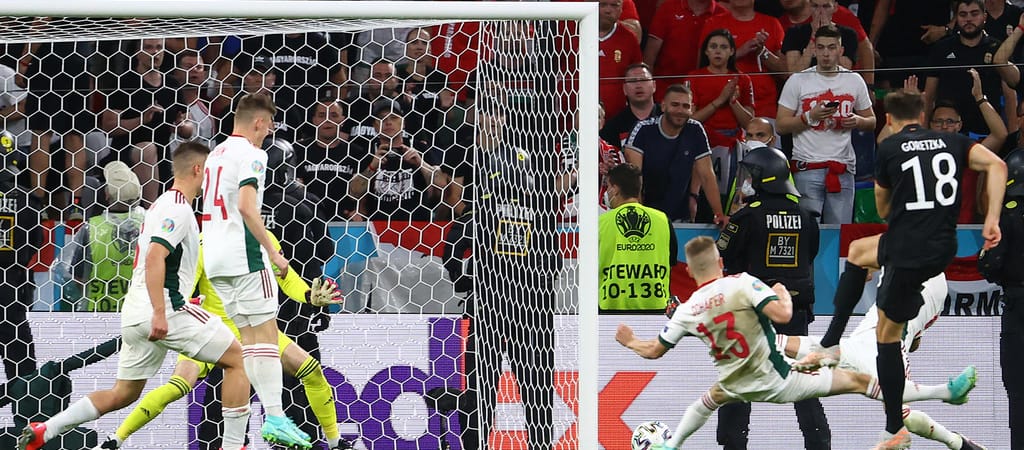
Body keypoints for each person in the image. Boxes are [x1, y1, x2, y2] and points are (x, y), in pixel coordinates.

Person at [615, 236, 979, 450]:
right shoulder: (742, 282)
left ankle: (672, 444)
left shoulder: (689, 308)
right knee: (860, 382)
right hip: (779, 379)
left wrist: (630, 341)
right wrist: (778, 293)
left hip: (736, 384)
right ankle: (944, 393)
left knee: (707, 400)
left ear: (690, 271)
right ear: (720, 262)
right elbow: (781, 314)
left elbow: (654, 351)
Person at [16, 143, 263, 450]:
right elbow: (156, 255)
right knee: (241, 359)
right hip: (163, 311)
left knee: (123, 393)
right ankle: (234, 445)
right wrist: (161, 310)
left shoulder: (160, 205)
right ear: (198, 170)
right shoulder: (177, 208)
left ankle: (46, 429)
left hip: (137, 313)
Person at [800, 90, 1006, 449]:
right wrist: (991, 219)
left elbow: (882, 210)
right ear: (922, 115)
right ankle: (831, 345)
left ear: (890, 120)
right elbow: (997, 166)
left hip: (908, 250)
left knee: (887, 337)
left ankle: (893, 428)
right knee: (860, 252)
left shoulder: (890, 148)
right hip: (943, 247)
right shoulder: (953, 142)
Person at [93, 230, 348, 450]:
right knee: (178, 386)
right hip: (211, 330)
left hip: (255, 329)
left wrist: (309, 295)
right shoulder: (203, 243)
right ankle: (115, 439)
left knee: (312, 371)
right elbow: (185, 287)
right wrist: (185, 304)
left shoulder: (263, 238)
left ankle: (335, 442)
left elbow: (287, 278)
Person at [200, 93, 312, 447]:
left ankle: (236, 440)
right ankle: (276, 417)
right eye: (269, 126)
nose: (268, 133)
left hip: (215, 258)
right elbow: (247, 207)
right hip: (244, 256)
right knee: (265, 337)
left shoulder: (215, 154)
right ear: (259, 122)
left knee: (248, 342)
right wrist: (273, 253)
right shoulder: (253, 154)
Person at [778, 270, 987, 450]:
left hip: (871, 347)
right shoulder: (937, 290)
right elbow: (915, 342)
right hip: (874, 349)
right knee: (901, 415)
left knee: (786, 344)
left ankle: (953, 425)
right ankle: (957, 439)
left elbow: (866, 270)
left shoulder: (900, 254)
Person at [713, 146, 829, 449]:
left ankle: (733, 444)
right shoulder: (806, 216)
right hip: (796, 311)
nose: (747, 181)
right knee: (804, 385)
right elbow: (810, 255)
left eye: (751, 175)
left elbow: (724, 255)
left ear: (764, 178)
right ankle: (819, 444)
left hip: (753, 312)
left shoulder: (746, 217)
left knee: (740, 379)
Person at [776, 25, 875, 224]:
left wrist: (857, 121)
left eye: (831, 47)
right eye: (821, 48)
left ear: (841, 50)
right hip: (807, 168)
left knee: (838, 233)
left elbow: (871, 121)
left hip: (842, 169)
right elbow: (780, 125)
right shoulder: (798, 80)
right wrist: (809, 117)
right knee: (808, 233)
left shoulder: (854, 80)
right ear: (814, 50)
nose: (826, 53)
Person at [622, 84, 727, 225]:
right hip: (648, 216)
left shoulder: (695, 130)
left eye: (685, 106)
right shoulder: (643, 129)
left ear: (692, 109)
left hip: (681, 217)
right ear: (663, 106)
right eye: (675, 105)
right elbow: (634, 181)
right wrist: (641, 219)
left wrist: (718, 214)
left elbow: (707, 175)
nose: (680, 111)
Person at [99, 38, 185, 205]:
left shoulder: (172, 84)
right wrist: (141, 120)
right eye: (149, 47)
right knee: (147, 149)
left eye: (159, 47)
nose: (155, 52)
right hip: (127, 154)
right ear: (137, 53)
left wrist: (181, 126)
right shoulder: (124, 82)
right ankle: (150, 211)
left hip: (163, 156)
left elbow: (187, 127)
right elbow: (108, 126)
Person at [52, 161, 145, 312]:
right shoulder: (150, 223)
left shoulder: (92, 228)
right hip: (140, 312)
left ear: (106, 194)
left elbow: (76, 278)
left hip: (98, 312)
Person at [978, 148, 1024, 449]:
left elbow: (990, 266)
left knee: (1018, 395)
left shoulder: (1006, 216)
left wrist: (986, 256)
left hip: (1018, 308)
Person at [348, 101, 448, 221]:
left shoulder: (419, 148)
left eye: (394, 118)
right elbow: (353, 193)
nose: (388, 122)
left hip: (416, 224)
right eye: (382, 119)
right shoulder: (367, 153)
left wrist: (420, 163)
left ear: (403, 123)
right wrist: (372, 166)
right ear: (375, 126)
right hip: (378, 225)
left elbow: (443, 185)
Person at [598, 163, 678, 311]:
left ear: (615, 189)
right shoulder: (662, 219)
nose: (607, 192)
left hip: (612, 306)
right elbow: (671, 261)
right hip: (656, 305)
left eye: (608, 186)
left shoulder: (601, 222)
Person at [924, 0, 1005, 137]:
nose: (968, 19)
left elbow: (1009, 95)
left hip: (987, 134)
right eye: (963, 14)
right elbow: (929, 95)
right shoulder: (941, 48)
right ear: (956, 17)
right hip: (948, 132)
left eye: (974, 14)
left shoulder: (998, 48)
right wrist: (925, 130)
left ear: (984, 16)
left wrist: (1013, 132)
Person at [0, 130, 40, 382]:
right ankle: (23, 405)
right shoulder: (28, 199)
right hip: (13, 286)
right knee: (21, 369)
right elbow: (36, 242)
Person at [295, 98, 361, 220]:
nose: (327, 120)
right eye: (322, 115)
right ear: (314, 120)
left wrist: (360, 211)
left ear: (343, 120)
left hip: (344, 220)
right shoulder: (298, 150)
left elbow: (363, 189)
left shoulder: (355, 152)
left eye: (333, 115)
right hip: (306, 219)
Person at [644, 0, 727, 97]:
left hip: (702, 93)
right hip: (663, 90)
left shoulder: (722, 14)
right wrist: (648, 90)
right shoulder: (668, 8)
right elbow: (650, 56)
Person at [597, 0, 642, 119]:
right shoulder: (572, 33)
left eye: (614, 5)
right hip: (572, 113)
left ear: (621, 9)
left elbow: (637, 76)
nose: (608, 10)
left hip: (617, 116)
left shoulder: (629, 39)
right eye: (602, 4)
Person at [600, 63, 660, 148]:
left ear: (654, 85)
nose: (638, 85)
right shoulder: (613, 127)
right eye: (633, 81)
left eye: (643, 80)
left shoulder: (666, 117)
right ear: (624, 89)